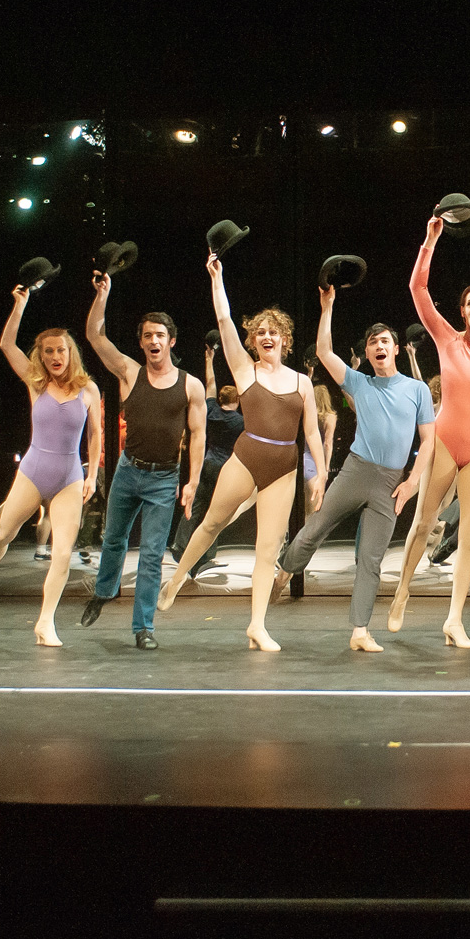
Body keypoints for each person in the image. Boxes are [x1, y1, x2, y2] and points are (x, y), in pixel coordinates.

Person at [160, 254, 328, 651]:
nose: (267, 336)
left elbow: (310, 432)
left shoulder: (302, 382)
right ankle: (178, 577)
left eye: (274, 332)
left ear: (285, 339)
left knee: (268, 549)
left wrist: (321, 472)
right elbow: (224, 320)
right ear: (253, 341)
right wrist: (216, 279)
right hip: (246, 459)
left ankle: (257, 625)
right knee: (211, 524)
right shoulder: (244, 370)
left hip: (284, 468)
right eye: (260, 332)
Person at [275, 288, 436, 651]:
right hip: (356, 472)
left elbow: (428, 440)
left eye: (385, 341)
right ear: (368, 353)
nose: (379, 346)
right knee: (314, 529)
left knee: (371, 559)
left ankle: (360, 632)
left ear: (396, 349)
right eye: (373, 342)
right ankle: (285, 569)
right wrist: (328, 306)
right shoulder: (360, 383)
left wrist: (412, 482)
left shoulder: (417, 390)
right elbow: (324, 352)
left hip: (391, 484)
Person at [386, 215, 470, 647]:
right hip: (444, 442)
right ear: (462, 311)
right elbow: (417, 289)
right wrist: (430, 241)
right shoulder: (447, 339)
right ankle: (402, 591)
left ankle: (454, 619)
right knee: (423, 523)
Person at [0, 286, 104, 646]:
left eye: (60, 350)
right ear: (41, 355)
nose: (55, 356)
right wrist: (20, 304)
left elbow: (96, 435)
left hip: (69, 476)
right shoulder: (36, 383)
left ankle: (45, 622)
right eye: (48, 351)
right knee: (2, 535)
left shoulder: (88, 389)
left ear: (71, 352)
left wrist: (93, 476)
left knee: (63, 552)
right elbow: (6, 344)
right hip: (34, 470)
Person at [79, 272, 205, 650]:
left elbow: (198, 435)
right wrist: (103, 295)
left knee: (151, 556)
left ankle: (143, 627)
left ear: (171, 341)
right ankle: (103, 592)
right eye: (148, 335)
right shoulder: (129, 373)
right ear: (142, 342)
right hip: (128, 471)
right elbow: (94, 336)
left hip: (164, 480)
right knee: (113, 540)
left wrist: (193, 481)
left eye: (160, 335)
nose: (154, 341)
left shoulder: (190, 385)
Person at [169, 342, 244, 572]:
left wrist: (209, 360)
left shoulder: (211, 411)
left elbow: (210, 384)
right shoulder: (240, 423)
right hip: (224, 469)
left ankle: (179, 544)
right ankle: (207, 553)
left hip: (206, 464)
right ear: (237, 400)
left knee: (195, 505)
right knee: (215, 512)